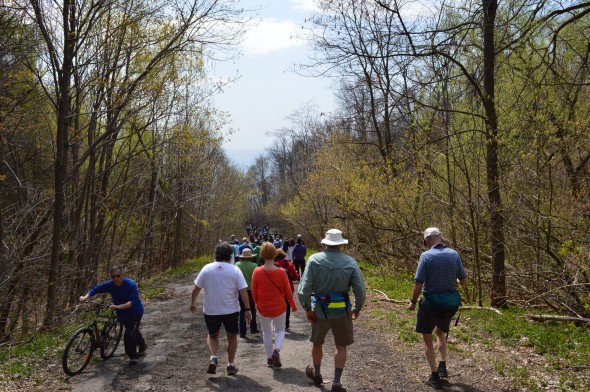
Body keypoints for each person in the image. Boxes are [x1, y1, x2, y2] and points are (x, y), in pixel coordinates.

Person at [298, 229, 366, 392]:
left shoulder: (314, 260)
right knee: (341, 346)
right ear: (341, 244)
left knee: (317, 343)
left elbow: (303, 290)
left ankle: (318, 375)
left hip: (320, 311)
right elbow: (360, 290)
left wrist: (307, 308)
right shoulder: (350, 262)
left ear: (325, 243)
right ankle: (336, 382)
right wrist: (357, 308)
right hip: (343, 311)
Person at [408, 227, 467, 390]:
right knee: (440, 331)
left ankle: (434, 377)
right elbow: (463, 280)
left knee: (427, 337)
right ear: (440, 238)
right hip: (449, 302)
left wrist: (413, 301)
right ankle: (443, 366)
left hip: (431, 303)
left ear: (427, 241)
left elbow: (418, 283)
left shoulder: (426, 256)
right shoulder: (454, 254)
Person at [189, 242, 252, 376]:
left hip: (211, 310)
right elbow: (243, 291)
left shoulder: (206, 268)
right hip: (231, 310)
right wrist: (247, 309)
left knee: (212, 335)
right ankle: (231, 364)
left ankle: (213, 357)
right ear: (230, 256)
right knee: (232, 337)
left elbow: (196, 288)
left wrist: (193, 303)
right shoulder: (234, 270)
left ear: (216, 255)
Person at [79, 265, 146, 365]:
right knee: (132, 330)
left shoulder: (131, 285)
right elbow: (96, 289)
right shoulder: (110, 284)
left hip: (134, 313)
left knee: (129, 335)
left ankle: (133, 357)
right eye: (113, 276)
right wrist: (86, 297)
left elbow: (132, 303)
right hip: (122, 313)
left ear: (123, 275)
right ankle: (142, 345)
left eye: (118, 276)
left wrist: (117, 307)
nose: (115, 278)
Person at [251, 242, 298, 368]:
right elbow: (288, 292)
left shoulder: (257, 271)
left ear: (261, 254)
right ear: (274, 254)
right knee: (280, 330)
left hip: (263, 307)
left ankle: (269, 359)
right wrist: (293, 306)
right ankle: (276, 350)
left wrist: (257, 303)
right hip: (279, 307)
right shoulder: (281, 272)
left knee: (266, 332)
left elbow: (254, 291)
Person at [235, 248, 260, 338]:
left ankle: (242, 331)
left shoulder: (237, 265)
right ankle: (253, 328)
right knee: (252, 308)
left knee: (242, 309)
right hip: (252, 290)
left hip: (240, 290)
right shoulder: (254, 266)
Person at [274, 248, 299, 330]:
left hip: (277, 289)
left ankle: (279, 323)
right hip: (288, 288)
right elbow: (296, 277)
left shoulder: (274, 265)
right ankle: (286, 323)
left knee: (278, 306)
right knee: (287, 306)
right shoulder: (289, 264)